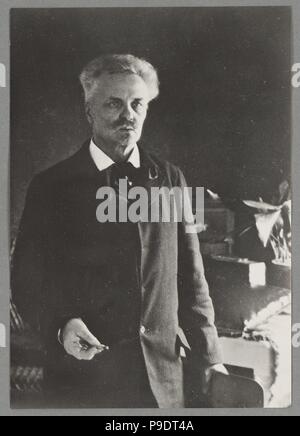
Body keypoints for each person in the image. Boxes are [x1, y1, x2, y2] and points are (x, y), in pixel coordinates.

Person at [12, 54, 227, 408]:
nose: (128, 115)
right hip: (83, 379)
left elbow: (192, 275)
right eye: (114, 103)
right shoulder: (50, 186)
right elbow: (24, 278)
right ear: (89, 112)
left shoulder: (173, 179)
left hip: (164, 382)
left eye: (137, 104)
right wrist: (60, 325)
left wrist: (210, 356)